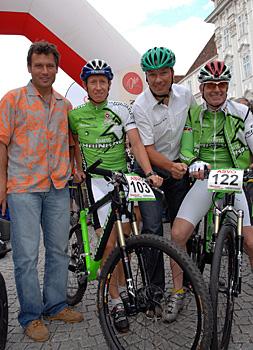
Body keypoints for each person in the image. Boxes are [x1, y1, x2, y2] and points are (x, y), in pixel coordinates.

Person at [68, 59, 163, 333]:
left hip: (121, 180)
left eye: (103, 81)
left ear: (109, 85)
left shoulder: (122, 109)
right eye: (93, 82)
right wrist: (77, 168)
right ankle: (114, 300)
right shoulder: (76, 114)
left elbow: (135, 142)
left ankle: (122, 286)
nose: (98, 86)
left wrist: (147, 172)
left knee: (125, 242)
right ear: (86, 85)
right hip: (97, 182)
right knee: (109, 246)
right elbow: (72, 143)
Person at [0, 41, 83, 342]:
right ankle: (31, 316)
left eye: (50, 66)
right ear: (29, 67)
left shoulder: (65, 105)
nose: (45, 71)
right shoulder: (13, 100)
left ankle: (56, 304)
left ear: (57, 68)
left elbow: (73, 144)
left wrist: (77, 169)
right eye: (39, 65)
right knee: (25, 256)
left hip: (58, 187)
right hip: (23, 188)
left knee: (59, 251)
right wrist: (1, 185)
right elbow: (2, 143)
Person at [169, 60, 253, 323]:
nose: (217, 90)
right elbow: (186, 148)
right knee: (178, 234)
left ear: (227, 87)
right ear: (202, 88)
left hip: (234, 176)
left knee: (250, 241)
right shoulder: (194, 114)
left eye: (222, 85)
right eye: (211, 85)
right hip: (205, 177)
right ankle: (178, 291)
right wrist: (193, 163)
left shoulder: (243, 112)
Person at [132, 47, 196, 291]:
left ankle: (189, 280)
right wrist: (171, 166)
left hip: (177, 166)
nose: (158, 79)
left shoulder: (186, 95)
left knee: (183, 226)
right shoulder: (141, 105)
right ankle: (154, 288)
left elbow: (192, 128)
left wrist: (187, 161)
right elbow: (145, 148)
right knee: (152, 228)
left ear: (172, 73)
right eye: (152, 74)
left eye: (163, 73)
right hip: (147, 170)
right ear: (146, 77)